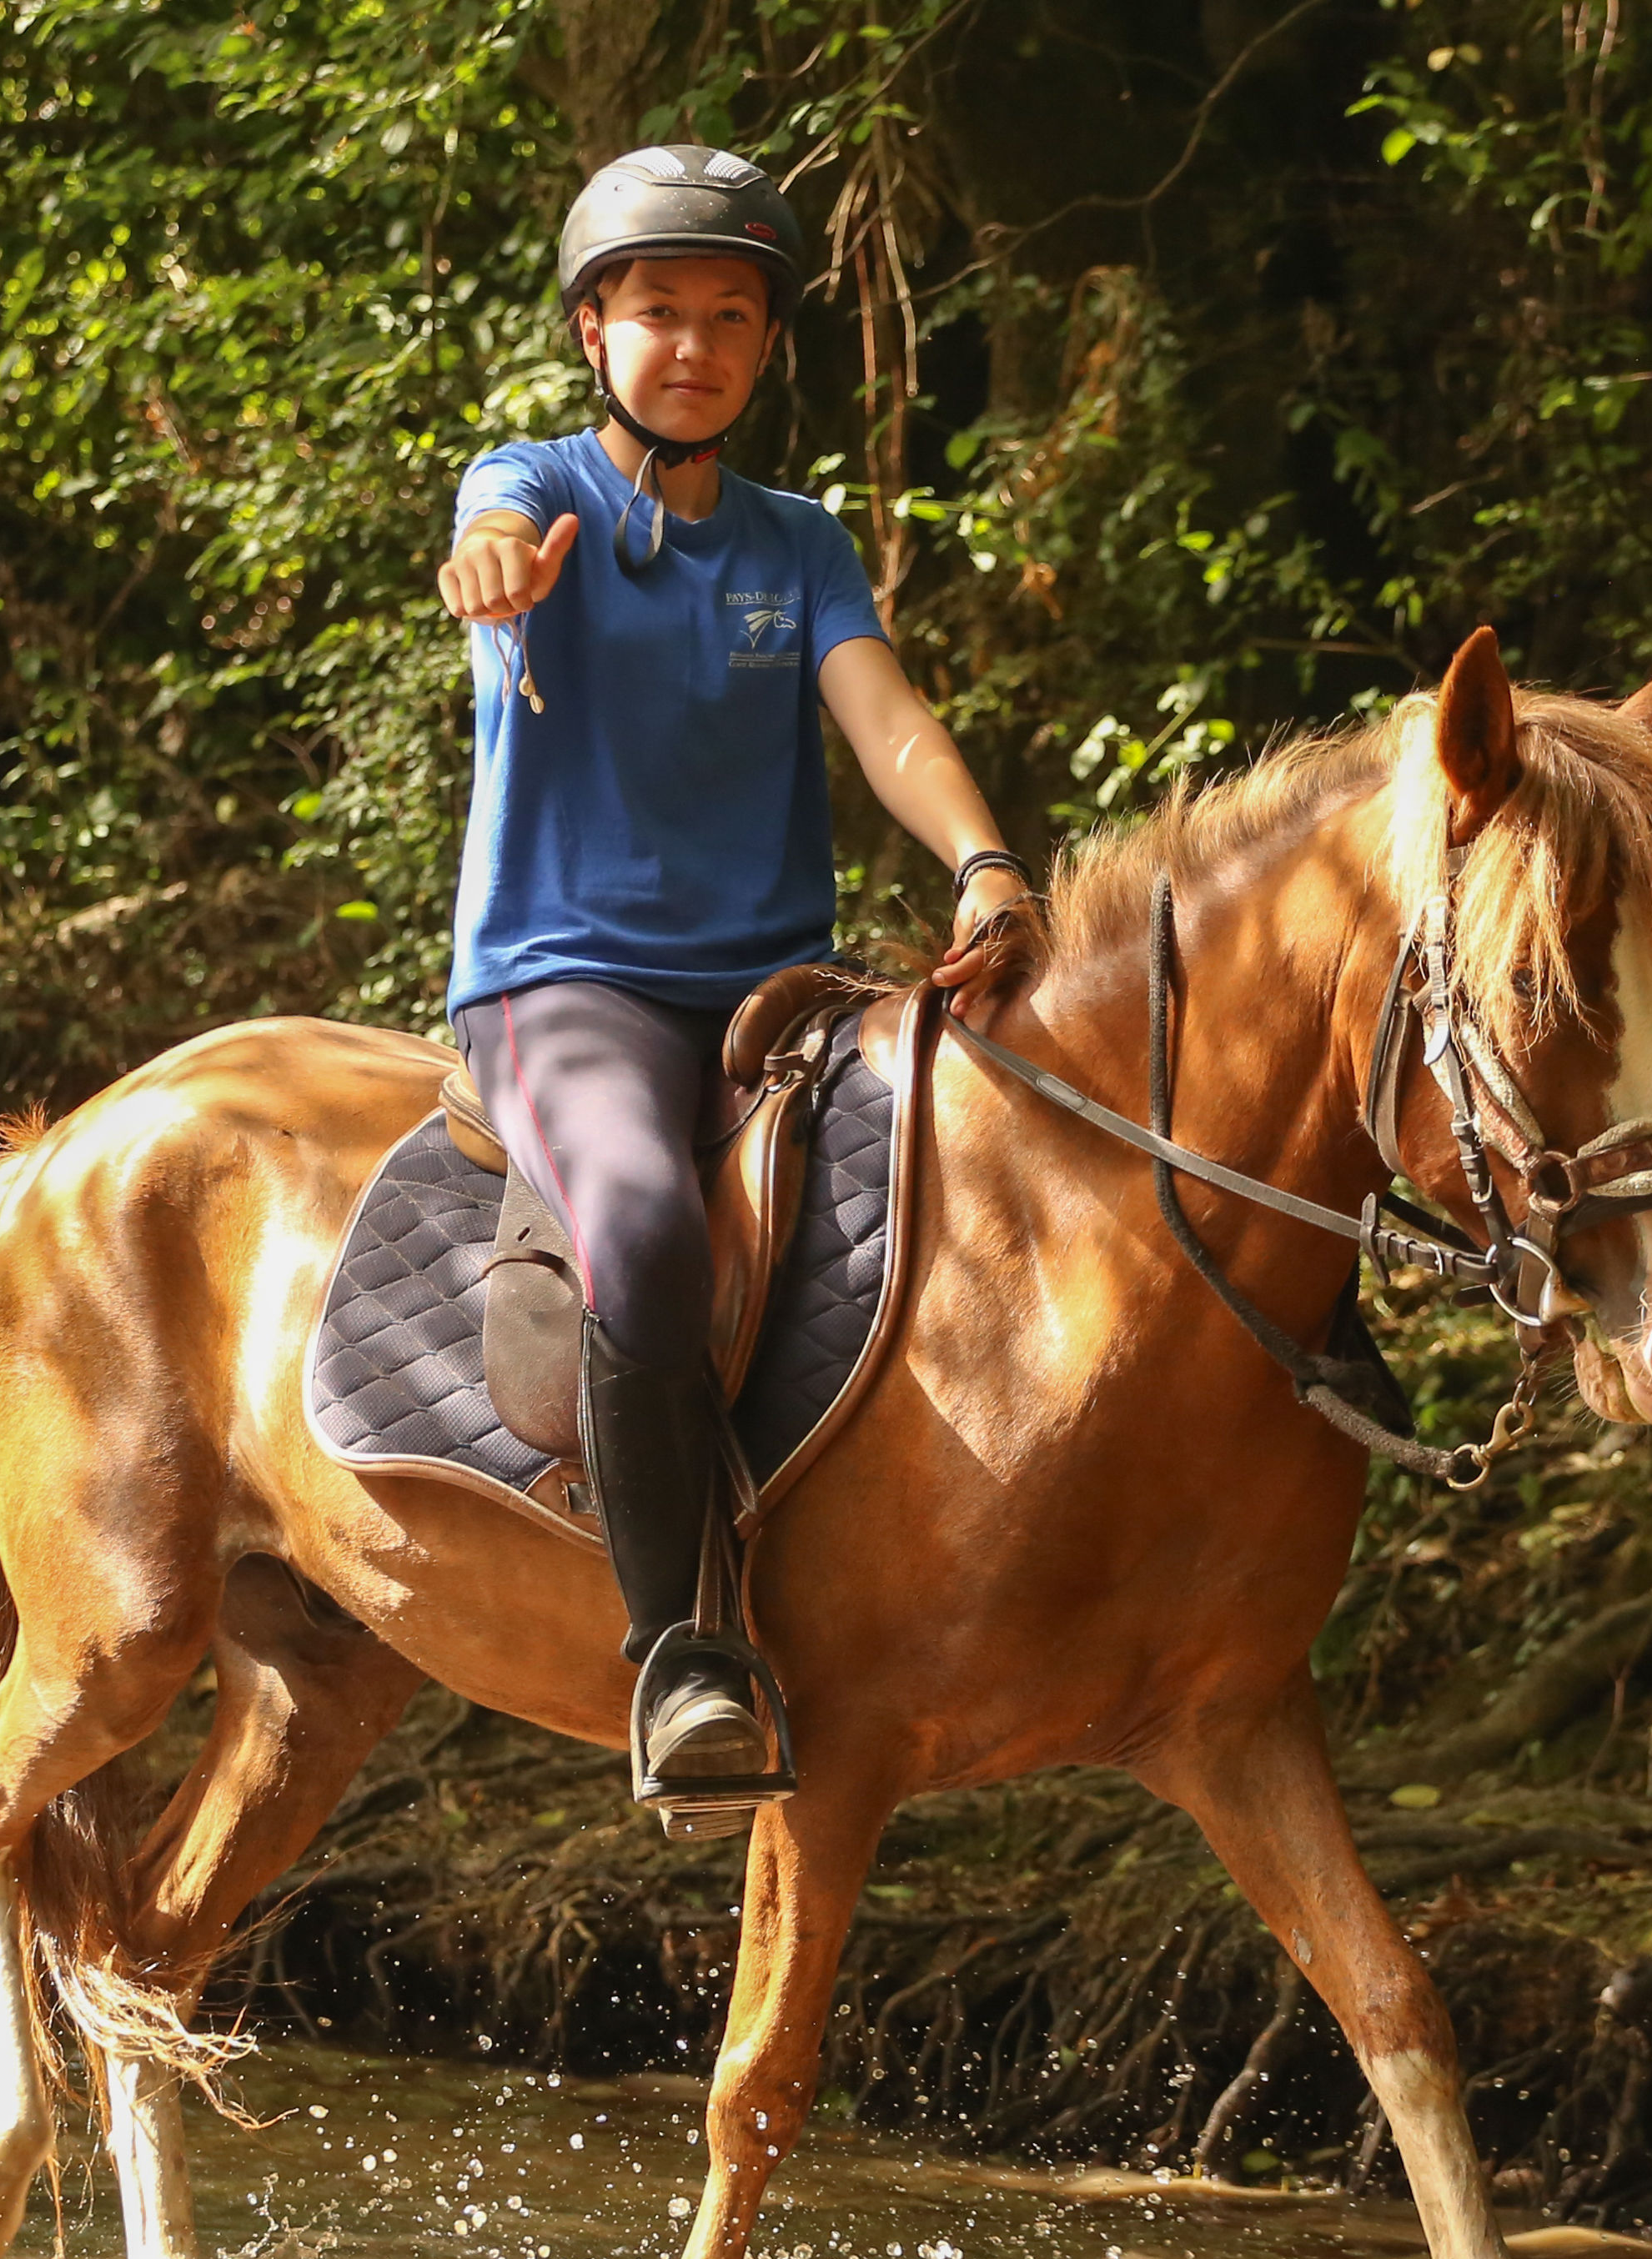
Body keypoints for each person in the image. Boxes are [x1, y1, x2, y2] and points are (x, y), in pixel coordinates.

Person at [434, 144, 1033, 1816]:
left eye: (728, 317)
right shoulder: (533, 486)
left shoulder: (799, 543)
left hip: (782, 989)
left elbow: (885, 713)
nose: (692, 346)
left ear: (768, 346)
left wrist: (985, 861)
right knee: (639, 1226)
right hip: (571, 986)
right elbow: (485, 541)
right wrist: (487, 568)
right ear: (595, 331)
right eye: (657, 313)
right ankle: (677, 1656)